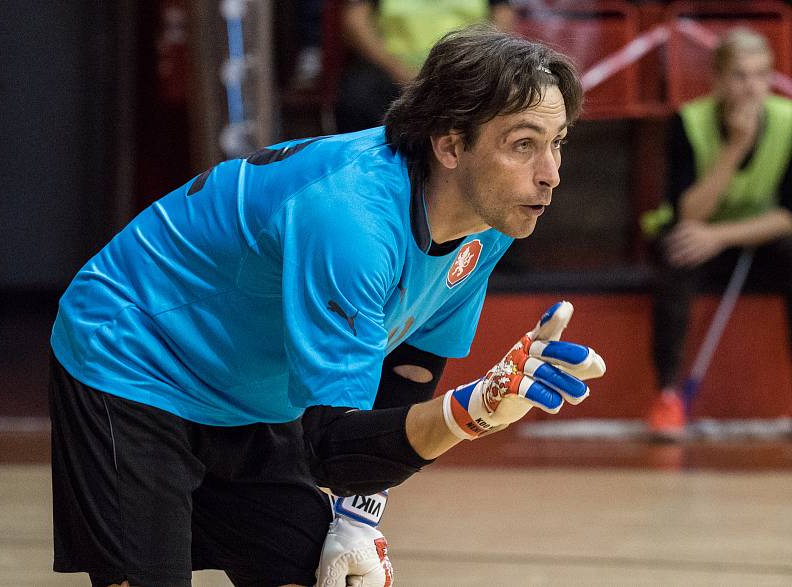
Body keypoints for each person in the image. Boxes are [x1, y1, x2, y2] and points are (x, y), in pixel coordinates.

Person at [49, 25, 605, 587]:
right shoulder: (352, 222)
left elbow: (410, 367)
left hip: (249, 392)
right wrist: (473, 411)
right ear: (452, 144)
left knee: (311, 573)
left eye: (557, 141)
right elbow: (331, 448)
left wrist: (358, 518)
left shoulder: (492, 221)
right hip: (133, 355)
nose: (551, 174)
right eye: (523, 144)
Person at [644, 28, 792, 439]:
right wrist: (735, 150)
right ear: (719, 80)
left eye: (761, 76)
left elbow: (789, 216)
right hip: (698, 237)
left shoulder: (788, 122)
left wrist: (723, 236)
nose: (752, 87)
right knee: (675, 253)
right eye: (741, 76)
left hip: (756, 239)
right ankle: (667, 397)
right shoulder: (689, 122)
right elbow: (689, 212)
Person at [335, 0, 516, 132]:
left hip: (467, 69)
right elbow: (355, 21)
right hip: (392, 70)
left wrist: (471, 64)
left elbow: (503, 18)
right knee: (357, 97)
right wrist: (399, 70)